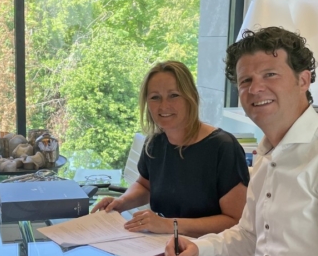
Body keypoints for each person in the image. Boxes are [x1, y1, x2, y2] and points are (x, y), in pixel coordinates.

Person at [166, 27, 318, 256]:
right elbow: (250, 235)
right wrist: (199, 248)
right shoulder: (266, 154)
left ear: (303, 80)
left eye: (270, 74)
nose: (255, 88)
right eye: (245, 80)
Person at [93, 60, 250, 239]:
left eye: (174, 95)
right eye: (155, 97)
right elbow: (145, 185)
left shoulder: (223, 147)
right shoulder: (154, 143)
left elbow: (236, 221)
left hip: (209, 250)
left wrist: (170, 225)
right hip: (162, 243)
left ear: (191, 97)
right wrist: (121, 202)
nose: (163, 106)